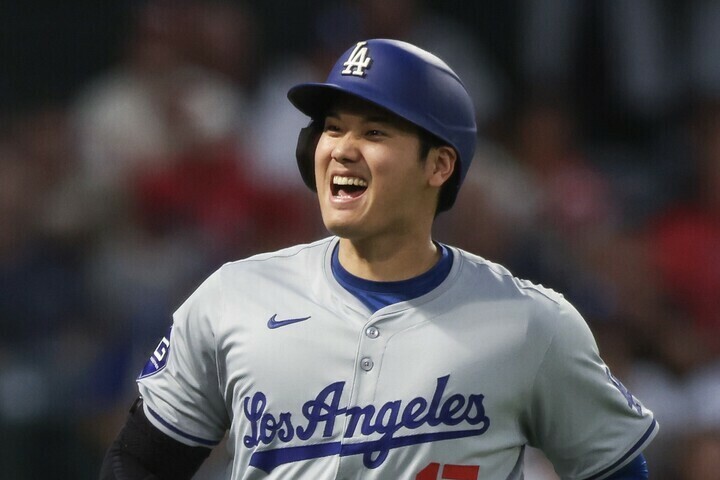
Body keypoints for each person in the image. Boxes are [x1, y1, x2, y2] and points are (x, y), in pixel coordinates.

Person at [100, 39, 657, 479]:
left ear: (438, 166)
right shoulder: (233, 298)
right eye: (332, 128)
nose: (341, 147)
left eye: (373, 131)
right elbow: (139, 462)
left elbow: (616, 469)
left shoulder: (532, 324)